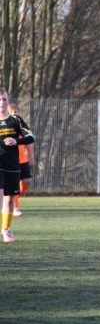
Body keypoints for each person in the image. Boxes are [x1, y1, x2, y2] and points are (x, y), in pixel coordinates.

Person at [0, 89, 35, 242]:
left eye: (4, 99)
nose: (2, 103)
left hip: (13, 165)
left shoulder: (16, 120)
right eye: (0, 100)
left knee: (9, 200)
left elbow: (30, 137)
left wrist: (17, 141)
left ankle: (6, 229)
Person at [7, 104, 35, 217]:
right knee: (13, 185)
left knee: (27, 181)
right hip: (11, 161)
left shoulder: (22, 129)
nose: (14, 114)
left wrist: (31, 158)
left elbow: (29, 143)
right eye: (12, 112)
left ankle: (15, 197)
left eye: (16, 111)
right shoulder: (6, 129)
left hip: (23, 160)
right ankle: (16, 208)